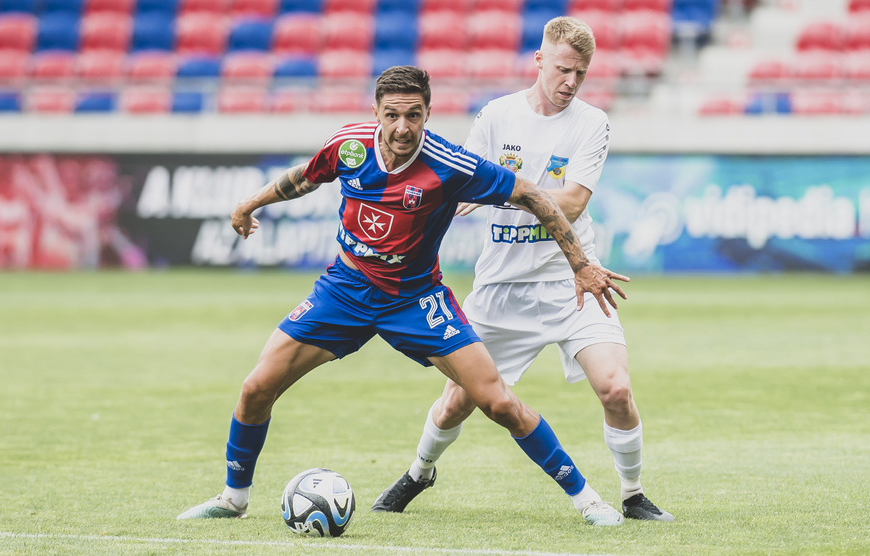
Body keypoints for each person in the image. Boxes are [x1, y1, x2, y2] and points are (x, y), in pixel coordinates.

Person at [177, 65, 630, 526]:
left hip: (415, 299)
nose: (402, 127)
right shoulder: (350, 146)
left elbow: (533, 196)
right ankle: (233, 498)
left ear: (428, 113)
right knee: (256, 388)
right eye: (392, 115)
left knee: (496, 401)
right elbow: (307, 177)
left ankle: (588, 500)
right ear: (375, 111)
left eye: (413, 115)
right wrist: (250, 203)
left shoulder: (451, 165)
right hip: (345, 290)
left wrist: (580, 264)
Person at [371, 19, 674, 522]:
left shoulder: (592, 122)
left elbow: (572, 203)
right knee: (456, 403)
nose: (570, 82)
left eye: (580, 73)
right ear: (539, 59)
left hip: (572, 279)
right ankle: (418, 473)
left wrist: (500, 190)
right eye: (562, 69)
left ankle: (633, 494)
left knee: (616, 389)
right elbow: (459, 180)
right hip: (501, 287)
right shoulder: (497, 115)